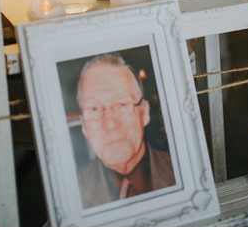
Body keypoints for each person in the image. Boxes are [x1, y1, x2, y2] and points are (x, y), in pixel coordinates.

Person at [75, 52, 175, 208]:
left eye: (122, 104)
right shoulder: (73, 191)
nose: (110, 124)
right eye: (94, 109)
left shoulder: (179, 169)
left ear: (144, 112)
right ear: (84, 125)